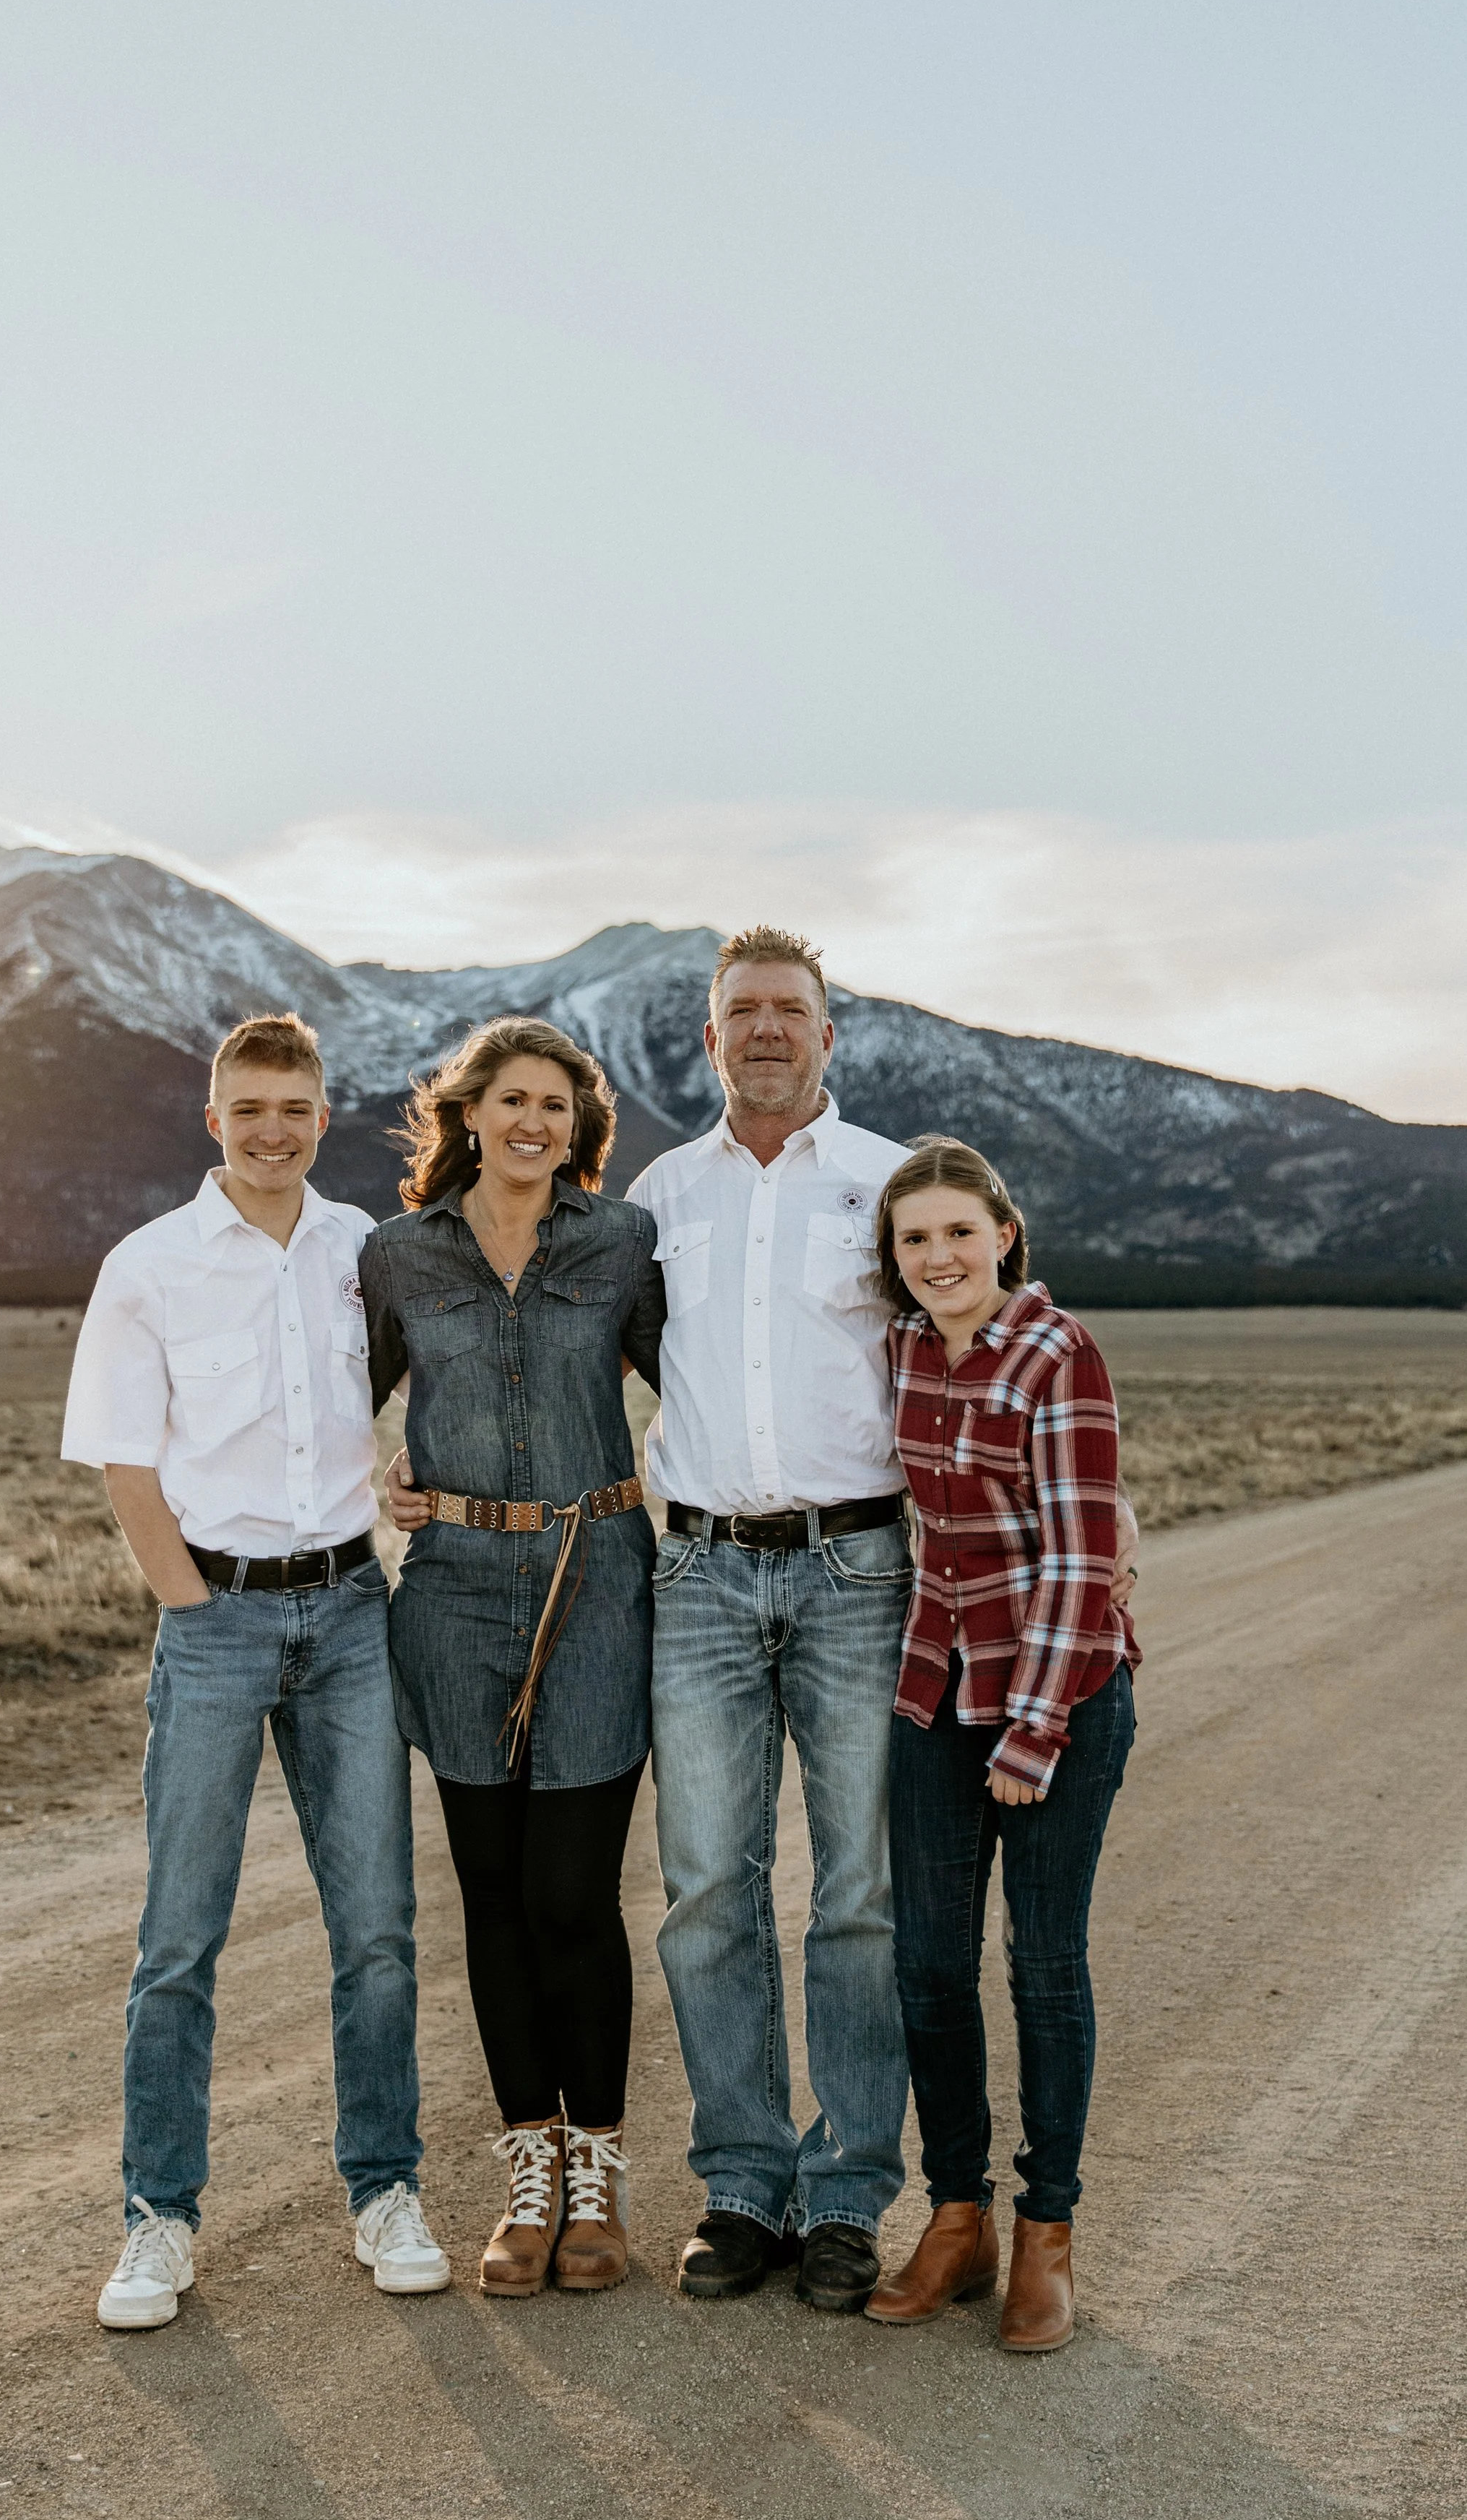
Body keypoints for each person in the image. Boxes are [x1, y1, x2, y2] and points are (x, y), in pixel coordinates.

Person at [61, 1012, 450, 2329]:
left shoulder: (366, 1253)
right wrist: (192, 1604)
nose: (272, 1131)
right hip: (216, 1619)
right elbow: (125, 1462)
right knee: (180, 1938)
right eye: (249, 1109)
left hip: (350, 1615)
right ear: (213, 1119)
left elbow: (416, 1395)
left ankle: (385, 2190)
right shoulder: (149, 1266)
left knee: (377, 1929)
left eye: (294, 1109)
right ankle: (158, 2218)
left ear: (323, 1116)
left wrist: (406, 1485)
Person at [625, 927, 917, 2313]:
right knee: (706, 1890)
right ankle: (743, 2182)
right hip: (698, 1577)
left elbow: (970, 1337)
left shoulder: (888, 1183)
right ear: (709, 1037)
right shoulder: (660, 1196)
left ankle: (848, 2190)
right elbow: (610, 1359)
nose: (766, 1029)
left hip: (857, 1572)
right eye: (742, 1010)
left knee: (860, 1894)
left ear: (828, 1034)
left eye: (789, 1010)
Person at [368, 1017, 666, 2297]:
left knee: (570, 1895)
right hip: (453, 1593)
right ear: (470, 1115)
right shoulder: (398, 1254)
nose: (533, 1122)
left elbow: (707, 1389)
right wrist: (378, 1483)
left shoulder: (622, 1241)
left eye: (557, 1104)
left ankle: (594, 2170)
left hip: (595, 1580)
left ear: (578, 1126)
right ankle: (527, 2173)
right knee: (489, 1894)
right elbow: (329, 1404)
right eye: (512, 1101)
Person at [864, 1136, 1138, 2353]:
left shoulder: (1056, 1350)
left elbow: (1081, 1559)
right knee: (928, 1963)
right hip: (938, 1688)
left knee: (1042, 1964)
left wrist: (1035, 1731)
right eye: (915, 1238)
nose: (939, 1257)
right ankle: (957, 2215)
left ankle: (1048, 2233)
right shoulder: (905, 1349)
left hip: (1060, 1696)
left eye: (959, 1233)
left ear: (1004, 1236)